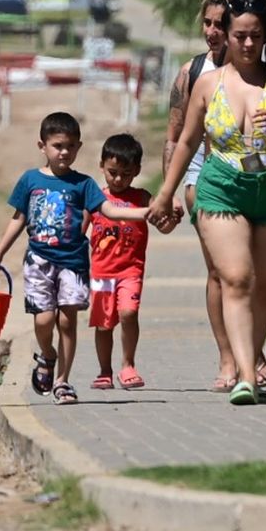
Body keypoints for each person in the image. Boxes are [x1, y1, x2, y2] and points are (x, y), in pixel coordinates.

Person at [149, 0, 266, 405]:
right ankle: (245, 375)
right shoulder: (208, 82)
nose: (245, 43)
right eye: (239, 35)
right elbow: (185, 140)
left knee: (264, 284)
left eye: (255, 35)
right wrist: (165, 192)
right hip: (221, 187)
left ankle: (253, 362)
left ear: (265, 37)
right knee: (236, 278)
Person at [0, 112, 167, 406]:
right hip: (39, 262)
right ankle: (48, 355)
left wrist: (145, 212)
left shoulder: (84, 184)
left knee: (67, 322)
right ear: (42, 146)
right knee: (43, 321)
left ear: (79, 147)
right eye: (57, 146)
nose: (63, 152)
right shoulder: (30, 180)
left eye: (69, 146)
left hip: (73, 263)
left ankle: (63, 382)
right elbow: (18, 219)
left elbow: (110, 211)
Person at [164, 0, 237, 391]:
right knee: (219, 270)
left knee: (246, 273)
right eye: (206, 23)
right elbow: (174, 136)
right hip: (199, 171)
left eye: (220, 24)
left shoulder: (255, 69)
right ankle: (228, 358)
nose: (211, 32)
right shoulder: (191, 73)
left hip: (243, 167)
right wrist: (169, 193)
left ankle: (252, 355)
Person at [87, 134, 152, 391]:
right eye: (112, 172)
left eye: (126, 174)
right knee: (104, 325)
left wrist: (174, 203)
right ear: (101, 166)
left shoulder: (141, 197)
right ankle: (105, 371)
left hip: (130, 270)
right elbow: (79, 233)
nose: (118, 179)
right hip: (101, 274)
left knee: (128, 312)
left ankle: (128, 365)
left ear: (136, 171)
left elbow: (159, 206)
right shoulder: (95, 199)